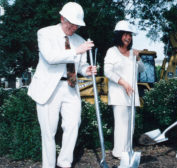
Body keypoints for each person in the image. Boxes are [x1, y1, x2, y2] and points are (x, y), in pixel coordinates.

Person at [27, 2, 96, 168]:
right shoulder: (45, 33)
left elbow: (80, 65)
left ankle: (64, 163)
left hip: (71, 87)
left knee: (73, 124)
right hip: (49, 88)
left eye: (77, 25)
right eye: (72, 24)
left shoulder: (79, 40)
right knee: (49, 132)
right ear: (62, 18)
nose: (74, 28)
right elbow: (50, 57)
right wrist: (76, 51)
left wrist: (87, 69)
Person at [104, 20, 144, 159]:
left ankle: (127, 151)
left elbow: (141, 69)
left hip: (132, 94)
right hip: (118, 93)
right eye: (125, 35)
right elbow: (107, 71)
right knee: (121, 125)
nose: (128, 38)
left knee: (130, 125)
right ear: (118, 35)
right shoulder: (112, 51)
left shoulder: (133, 52)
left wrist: (138, 58)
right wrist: (124, 83)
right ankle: (118, 152)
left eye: (130, 35)